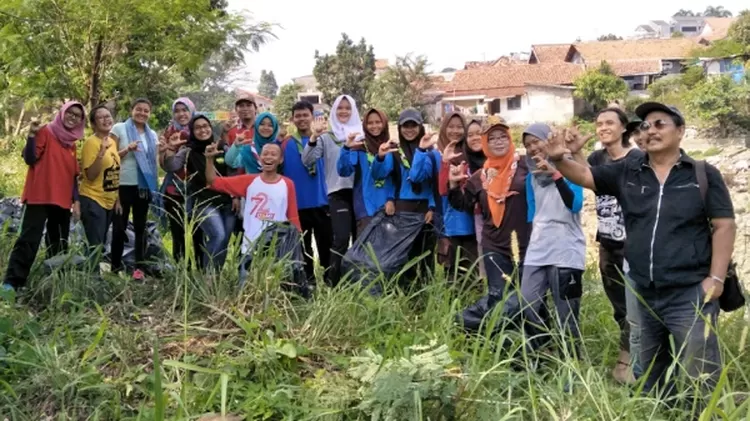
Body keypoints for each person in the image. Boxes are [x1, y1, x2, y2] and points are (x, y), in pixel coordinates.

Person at [546, 102, 735, 407]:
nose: (651, 130)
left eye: (660, 124)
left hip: (690, 292)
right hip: (643, 292)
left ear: (680, 131)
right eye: (646, 125)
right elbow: (585, 176)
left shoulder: (702, 174)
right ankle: (659, 411)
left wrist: (716, 278)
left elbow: (724, 225)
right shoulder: (629, 171)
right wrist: (558, 158)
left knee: (699, 373)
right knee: (649, 372)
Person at [581, 108, 644, 383]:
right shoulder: (597, 158)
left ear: (623, 128)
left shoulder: (637, 158)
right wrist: (573, 152)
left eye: (609, 123)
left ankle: (627, 362)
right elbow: (583, 176)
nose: (603, 127)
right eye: (599, 123)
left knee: (635, 306)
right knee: (619, 305)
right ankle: (631, 357)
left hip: (633, 245)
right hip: (607, 243)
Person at [448, 120, 531, 315]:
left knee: (529, 298)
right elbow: (462, 204)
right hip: (494, 246)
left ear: (510, 139)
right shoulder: (480, 177)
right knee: (499, 298)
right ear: (486, 143)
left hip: (528, 245)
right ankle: (500, 333)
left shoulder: (526, 165)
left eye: (503, 137)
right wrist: (453, 184)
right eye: (492, 138)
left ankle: (534, 333)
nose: (498, 141)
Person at [2, 101, 84, 291]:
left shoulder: (71, 144)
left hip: (62, 200)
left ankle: (52, 285)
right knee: (29, 240)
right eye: (70, 113)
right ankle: (12, 283)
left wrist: (76, 201)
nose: (73, 117)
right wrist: (31, 136)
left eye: (77, 115)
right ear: (62, 113)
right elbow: (30, 158)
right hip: (40, 195)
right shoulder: (46, 131)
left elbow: (73, 176)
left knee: (59, 243)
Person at [520, 123, 586, 354]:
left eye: (536, 141)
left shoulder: (570, 167)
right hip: (539, 247)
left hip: (566, 248)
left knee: (566, 311)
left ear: (547, 140)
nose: (532, 148)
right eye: (527, 145)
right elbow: (533, 214)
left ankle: (572, 360)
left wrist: (557, 175)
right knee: (528, 302)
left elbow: (575, 204)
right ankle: (544, 351)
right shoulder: (531, 178)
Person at [204, 142, 301, 285]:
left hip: (276, 246)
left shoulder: (287, 184)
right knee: (246, 288)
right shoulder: (249, 181)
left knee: (275, 288)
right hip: (250, 246)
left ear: (280, 160)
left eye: (273, 154)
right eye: (265, 153)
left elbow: (292, 215)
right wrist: (209, 159)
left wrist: (297, 242)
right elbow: (213, 182)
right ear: (259, 158)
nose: (269, 157)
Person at [371, 108, 440, 283]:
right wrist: (380, 158)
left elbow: (434, 183)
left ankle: (426, 289)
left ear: (420, 127)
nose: (409, 130)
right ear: (399, 128)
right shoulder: (394, 152)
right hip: (402, 208)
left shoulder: (430, 153)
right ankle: (405, 290)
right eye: (405, 126)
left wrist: (432, 207)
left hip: (424, 208)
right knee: (403, 253)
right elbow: (381, 176)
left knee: (425, 252)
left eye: (413, 125)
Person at [302, 95, 361, 286]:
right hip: (338, 193)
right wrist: (314, 137)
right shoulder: (327, 137)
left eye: (348, 108)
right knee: (341, 239)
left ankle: (357, 283)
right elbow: (307, 160)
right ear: (334, 111)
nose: (344, 111)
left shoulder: (362, 136)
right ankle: (333, 284)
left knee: (360, 240)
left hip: (360, 193)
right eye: (340, 108)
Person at [165, 115, 235, 272]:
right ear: (192, 131)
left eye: (205, 126)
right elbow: (171, 166)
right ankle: (207, 275)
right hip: (203, 202)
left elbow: (232, 168)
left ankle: (215, 276)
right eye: (197, 128)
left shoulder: (221, 147)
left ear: (210, 127)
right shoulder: (188, 151)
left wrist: (236, 196)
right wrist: (170, 148)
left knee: (224, 241)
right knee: (218, 235)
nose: (202, 130)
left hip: (226, 202)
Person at [280, 101, 331, 285]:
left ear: (312, 116)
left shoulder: (324, 140)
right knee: (303, 248)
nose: (302, 119)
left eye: (305, 115)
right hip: (296, 205)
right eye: (298, 116)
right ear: (292, 119)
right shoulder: (285, 143)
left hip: (321, 202)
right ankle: (308, 284)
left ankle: (330, 283)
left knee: (326, 246)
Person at [110, 98, 159, 279]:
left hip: (143, 187)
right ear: (132, 110)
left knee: (140, 227)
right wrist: (127, 150)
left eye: (146, 110)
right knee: (119, 227)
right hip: (122, 186)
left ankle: (139, 268)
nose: (142, 113)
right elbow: (109, 157)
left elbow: (154, 161)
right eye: (139, 109)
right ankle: (115, 268)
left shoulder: (152, 134)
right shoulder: (119, 128)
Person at [158, 97, 203, 264]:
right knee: (178, 235)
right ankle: (180, 270)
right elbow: (165, 166)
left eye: (184, 110)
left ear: (191, 110)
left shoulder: (201, 130)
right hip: (174, 191)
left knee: (199, 234)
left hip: (197, 191)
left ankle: (201, 270)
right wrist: (168, 149)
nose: (181, 114)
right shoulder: (169, 133)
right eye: (177, 111)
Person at [337, 108, 394, 236]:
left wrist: (391, 198)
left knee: (387, 247)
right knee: (366, 247)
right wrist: (346, 148)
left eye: (378, 122)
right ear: (364, 125)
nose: (374, 126)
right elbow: (344, 171)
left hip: (387, 206)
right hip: (365, 207)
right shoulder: (359, 147)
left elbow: (394, 177)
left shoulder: (391, 148)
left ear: (384, 123)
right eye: (370, 123)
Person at [436, 112, 478, 280]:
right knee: (453, 277)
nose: (455, 131)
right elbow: (442, 190)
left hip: (474, 222)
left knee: (474, 275)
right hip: (451, 224)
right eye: (451, 126)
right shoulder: (438, 154)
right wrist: (445, 163)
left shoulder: (471, 153)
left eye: (460, 127)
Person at [79, 105, 120, 260]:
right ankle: (91, 274)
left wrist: (117, 199)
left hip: (108, 201)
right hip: (93, 200)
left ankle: (93, 273)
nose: (106, 120)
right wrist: (101, 153)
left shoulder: (112, 141)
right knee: (94, 247)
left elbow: (114, 171)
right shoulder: (91, 143)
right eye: (101, 117)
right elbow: (90, 175)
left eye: (108, 116)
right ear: (93, 124)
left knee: (99, 245)